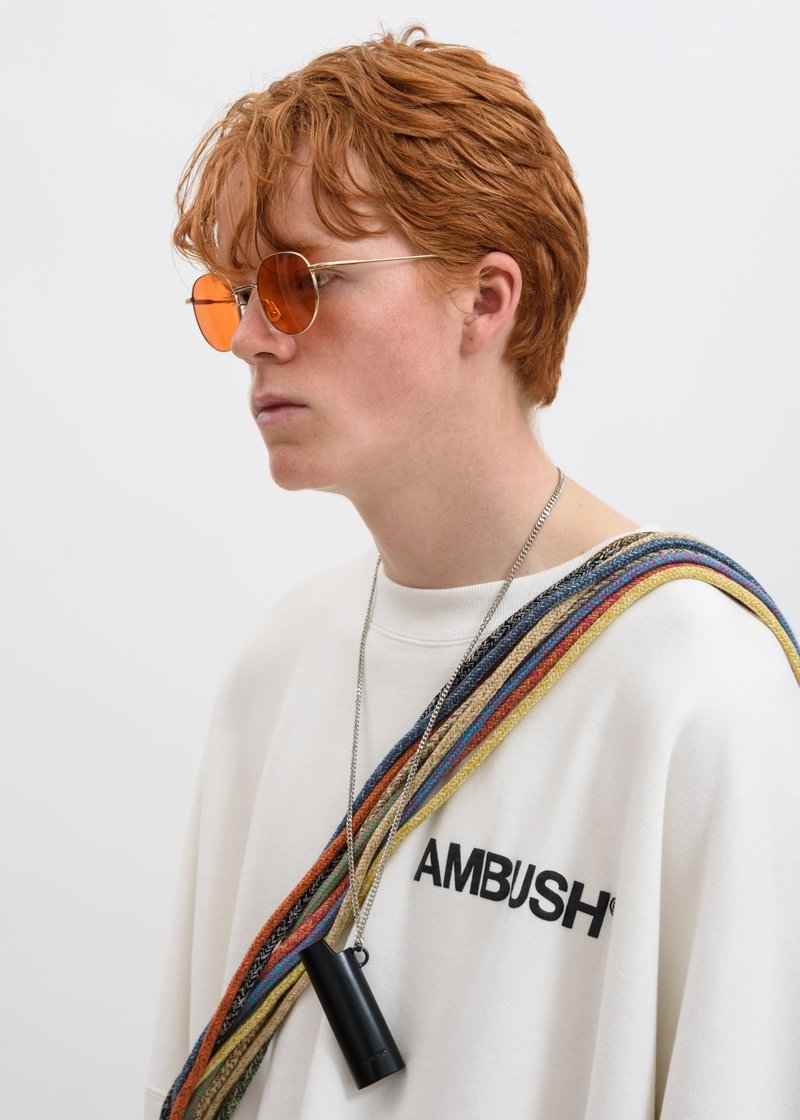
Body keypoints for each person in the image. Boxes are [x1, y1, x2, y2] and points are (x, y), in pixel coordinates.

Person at [146, 27, 800, 1120]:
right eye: (234, 294)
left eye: (298, 282)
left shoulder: (699, 691)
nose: (252, 337)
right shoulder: (279, 664)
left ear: (486, 301)